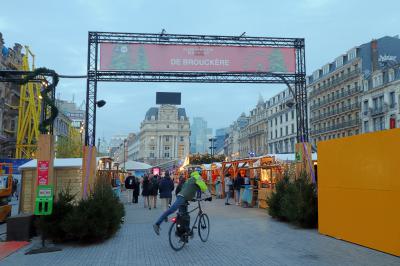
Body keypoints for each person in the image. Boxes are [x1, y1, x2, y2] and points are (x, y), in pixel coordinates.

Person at [153, 171, 211, 235]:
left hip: (182, 197)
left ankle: (184, 233)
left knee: (185, 215)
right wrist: (209, 196)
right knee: (171, 210)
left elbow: (188, 190)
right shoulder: (197, 177)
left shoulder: (189, 180)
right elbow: (204, 187)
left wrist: (193, 198)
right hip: (183, 198)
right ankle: (157, 224)